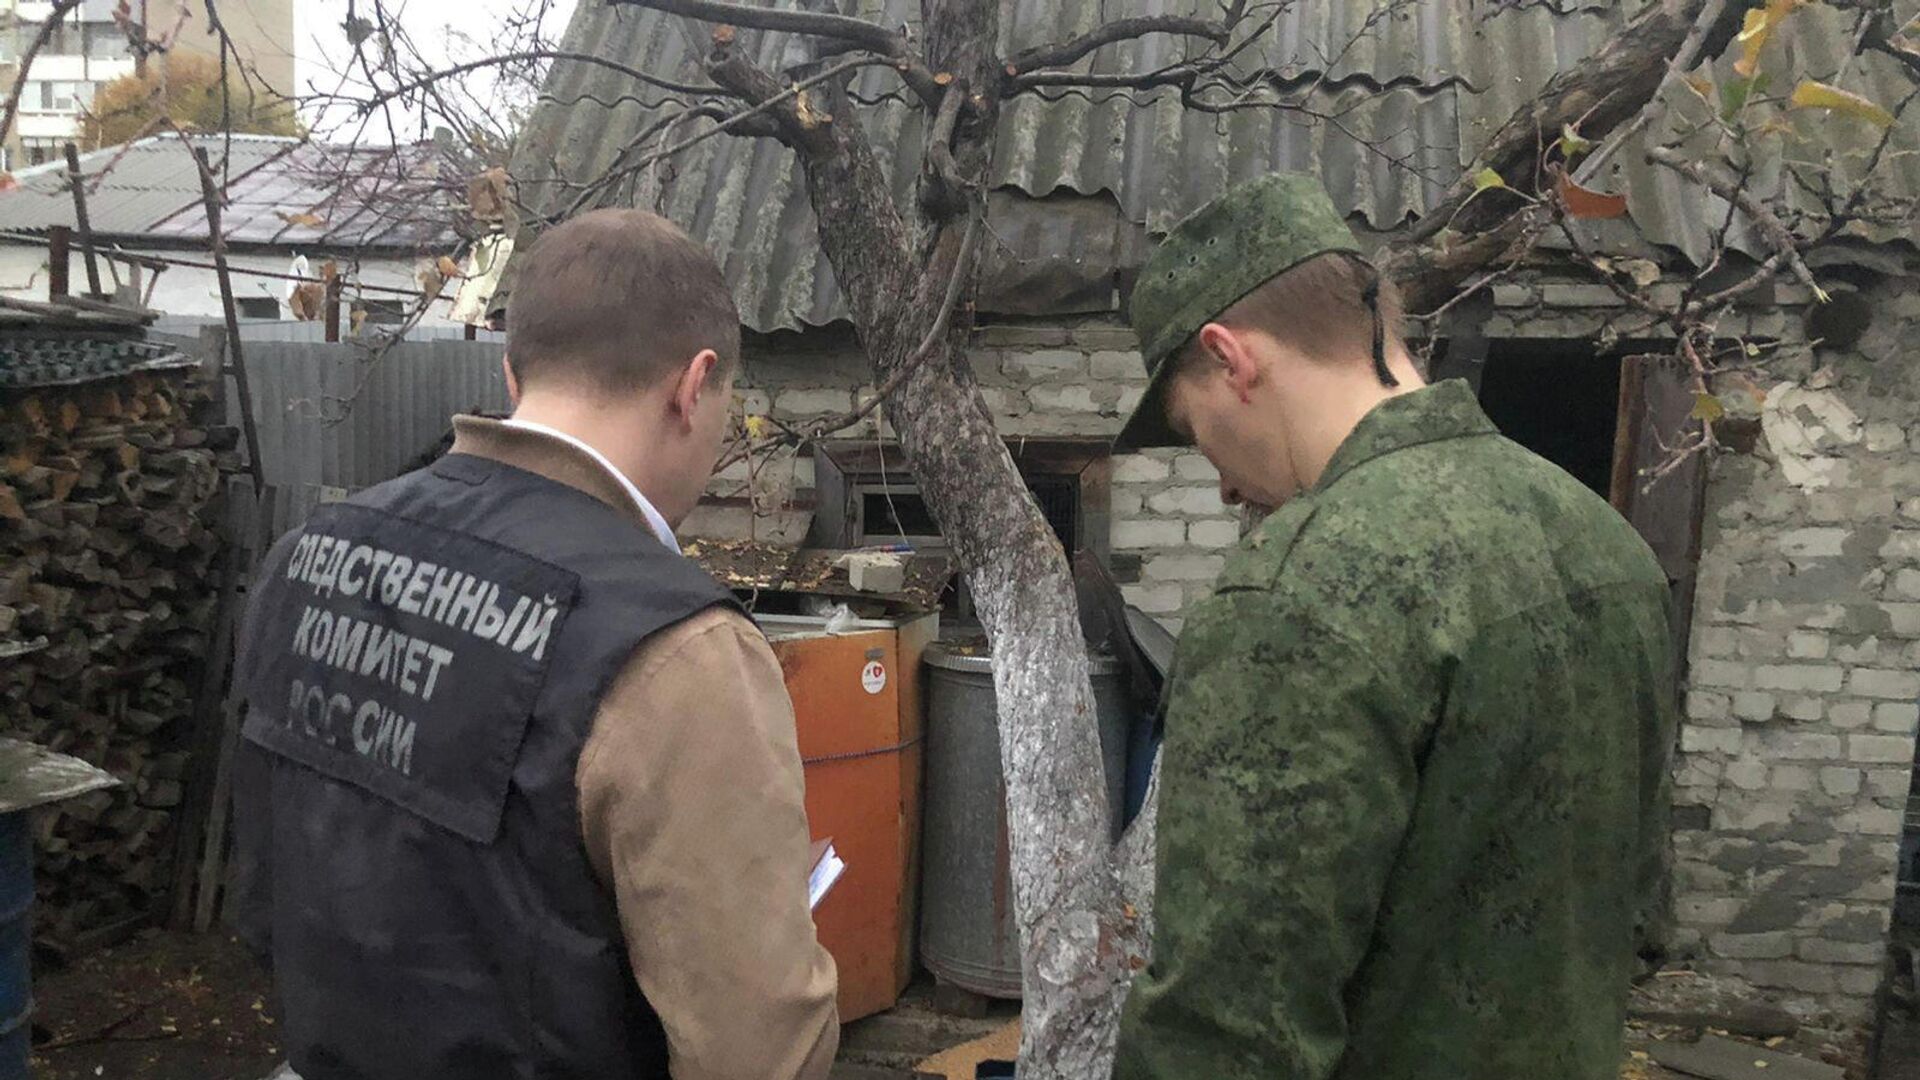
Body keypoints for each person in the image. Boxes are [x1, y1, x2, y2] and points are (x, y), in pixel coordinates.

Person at [227, 209, 838, 1080]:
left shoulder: (308, 557)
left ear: (513, 375)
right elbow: (757, 1054)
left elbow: (267, 900)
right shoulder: (679, 652)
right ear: (693, 387)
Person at [1110, 173, 1678, 1079]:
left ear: (1230, 358)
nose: (1217, 480)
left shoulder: (1294, 597)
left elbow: (1226, 1035)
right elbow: (1638, 910)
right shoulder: (1604, 541)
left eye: (1192, 428)